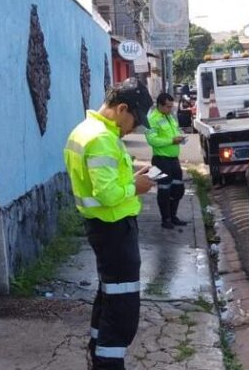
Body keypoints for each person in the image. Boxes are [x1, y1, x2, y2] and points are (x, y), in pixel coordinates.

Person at [63, 77, 155, 369]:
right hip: (114, 231)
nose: (135, 128)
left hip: (104, 230)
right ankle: (107, 363)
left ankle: (96, 353)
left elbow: (102, 181)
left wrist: (131, 173)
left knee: (108, 296)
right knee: (122, 310)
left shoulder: (86, 131)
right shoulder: (102, 138)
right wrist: (135, 187)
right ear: (122, 108)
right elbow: (107, 193)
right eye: (135, 121)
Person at [146, 92, 187, 229]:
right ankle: (166, 219)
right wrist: (171, 140)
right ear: (160, 105)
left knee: (178, 189)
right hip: (160, 160)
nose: (171, 110)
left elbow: (175, 132)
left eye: (171, 107)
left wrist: (180, 137)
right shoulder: (152, 119)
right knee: (164, 190)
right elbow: (152, 140)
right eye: (168, 107)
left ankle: (173, 216)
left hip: (174, 159)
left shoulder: (170, 117)